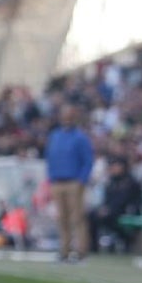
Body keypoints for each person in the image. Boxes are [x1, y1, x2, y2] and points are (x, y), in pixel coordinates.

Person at [44, 103, 95, 262]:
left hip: (73, 181)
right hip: (57, 181)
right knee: (62, 218)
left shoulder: (80, 137)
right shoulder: (55, 136)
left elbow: (88, 160)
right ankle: (64, 250)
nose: (67, 118)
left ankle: (81, 250)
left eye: (70, 115)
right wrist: (51, 176)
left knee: (77, 218)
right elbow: (49, 157)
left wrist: (82, 179)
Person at [88, 156, 142, 253]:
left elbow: (127, 200)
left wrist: (109, 209)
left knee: (108, 217)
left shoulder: (131, 183)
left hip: (126, 210)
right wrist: (104, 208)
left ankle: (127, 239)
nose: (114, 169)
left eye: (116, 166)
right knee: (91, 215)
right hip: (112, 210)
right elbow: (107, 199)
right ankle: (94, 246)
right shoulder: (111, 182)